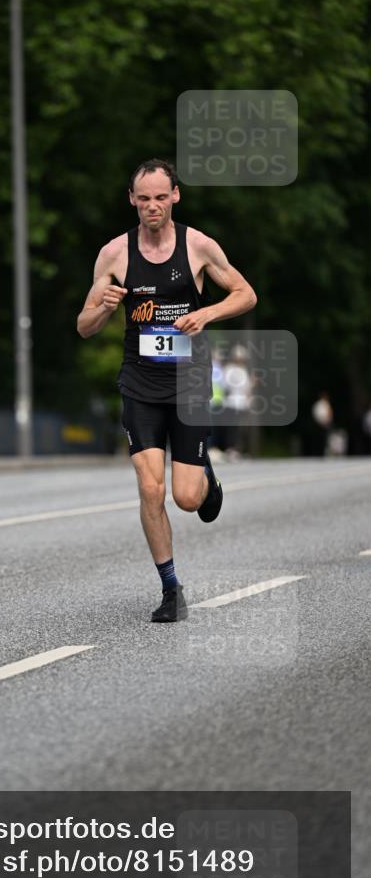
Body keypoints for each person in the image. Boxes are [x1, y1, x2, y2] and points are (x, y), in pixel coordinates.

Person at [77, 159, 256, 622]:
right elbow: (84, 325)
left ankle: (205, 475)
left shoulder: (197, 245)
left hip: (190, 380)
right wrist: (104, 307)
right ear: (131, 200)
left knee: (188, 499)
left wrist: (206, 315)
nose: (152, 206)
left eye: (161, 197)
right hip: (139, 381)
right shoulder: (114, 254)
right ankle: (171, 588)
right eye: (144, 199)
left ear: (175, 196)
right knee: (150, 488)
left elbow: (245, 293)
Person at [311, 392, 333, 457]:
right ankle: (321, 452)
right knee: (322, 439)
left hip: (322, 423)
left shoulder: (320, 404)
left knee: (323, 439)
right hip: (322, 423)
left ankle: (322, 452)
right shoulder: (322, 404)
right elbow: (328, 413)